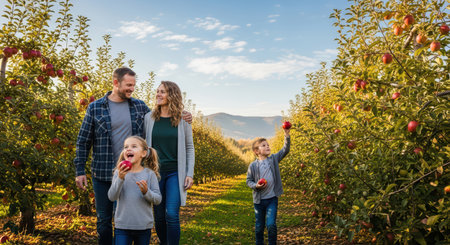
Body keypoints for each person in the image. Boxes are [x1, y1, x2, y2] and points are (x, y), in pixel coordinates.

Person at [74, 67, 191, 244]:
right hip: (104, 172)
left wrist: (182, 113)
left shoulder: (139, 107)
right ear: (116, 83)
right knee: (104, 221)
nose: (132, 88)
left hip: (132, 174)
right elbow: (83, 141)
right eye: (128, 85)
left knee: (127, 220)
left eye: (133, 85)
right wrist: (79, 170)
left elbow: (163, 114)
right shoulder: (95, 107)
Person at [144, 81, 195, 245]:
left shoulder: (183, 119)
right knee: (158, 217)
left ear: (172, 95)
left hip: (175, 173)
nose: (158, 94)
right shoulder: (149, 118)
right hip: (155, 173)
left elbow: (189, 148)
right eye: (157, 91)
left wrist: (189, 174)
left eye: (163, 92)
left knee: (171, 214)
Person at [108, 136, 162, 245]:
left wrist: (147, 192)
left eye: (134, 146)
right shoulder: (119, 173)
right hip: (122, 226)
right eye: (126, 147)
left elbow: (158, 199)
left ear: (143, 153)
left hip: (143, 227)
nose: (128, 149)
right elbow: (111, 197)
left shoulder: (149, 174)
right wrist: (120, 179)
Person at [246, 128, 290, 245]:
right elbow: (248, 181)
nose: (267, 146)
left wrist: (286, 134)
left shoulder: (274, 159)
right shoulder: (253, 166)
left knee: (271, 225)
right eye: (263, 145)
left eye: (268, 145)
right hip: (259, 202)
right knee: (259, 226)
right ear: (256, 151)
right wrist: (256, 185)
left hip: (272, 199)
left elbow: (285, 150)